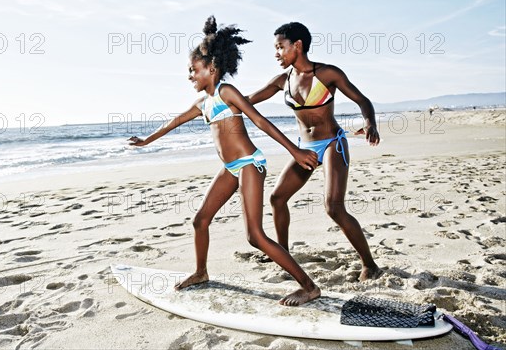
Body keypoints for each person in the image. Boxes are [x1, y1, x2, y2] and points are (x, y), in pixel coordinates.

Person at [128, 16, 321, 305]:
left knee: (255, 236)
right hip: (230, 168)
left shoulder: (226, 92)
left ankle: (309, 286)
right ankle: (201, 272)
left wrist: (295, 152)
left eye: (194, 70)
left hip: (249, 165)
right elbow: (173, 123)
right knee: (200, 220)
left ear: (212, 68)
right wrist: (146, 141)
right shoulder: (202, 103)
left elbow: (260, 121)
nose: (190, 75)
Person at [247, 22, 383, 281]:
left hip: (333, 142)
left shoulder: (327, 73)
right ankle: (283, 254)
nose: (276, 53)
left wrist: (370, 123)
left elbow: (362, 101)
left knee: (333, 207)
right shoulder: (281, 81)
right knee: (277, 198)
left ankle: (370, 264)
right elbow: (247, 99)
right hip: (305, 148)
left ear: (297, 45)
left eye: (280, 47)